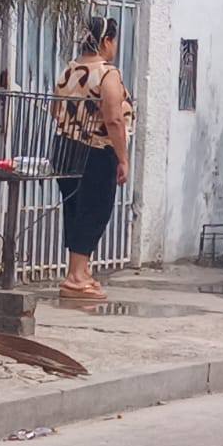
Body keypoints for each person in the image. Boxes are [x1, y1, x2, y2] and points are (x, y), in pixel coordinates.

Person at [53, 17, 135, 299]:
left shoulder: (69, 69)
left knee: (75, 209)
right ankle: (76, 277)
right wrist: (123, 158)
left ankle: (79, 271)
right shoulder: (107, 73)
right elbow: (113, 118)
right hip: (95, 151)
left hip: (64, 148)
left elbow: (55, 110)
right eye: (114, 40)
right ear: (106, 41)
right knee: (95, 210)